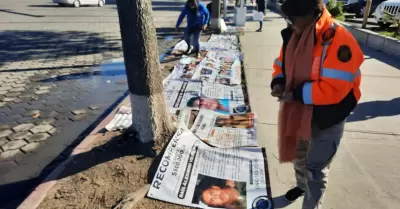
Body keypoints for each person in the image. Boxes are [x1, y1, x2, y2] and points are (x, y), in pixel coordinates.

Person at [270, 0, 364, 208]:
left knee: (315, 168)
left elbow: (334, 90)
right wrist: (278, 81)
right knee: (299, 156)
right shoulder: (296, 34)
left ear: (312, 14)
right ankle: (301, 186)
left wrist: (296, 94)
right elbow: (281, 63)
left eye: (293, 19)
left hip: (328, 115)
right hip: (301, 110)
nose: (290, 23)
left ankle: (311, 204)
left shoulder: (339, 39)